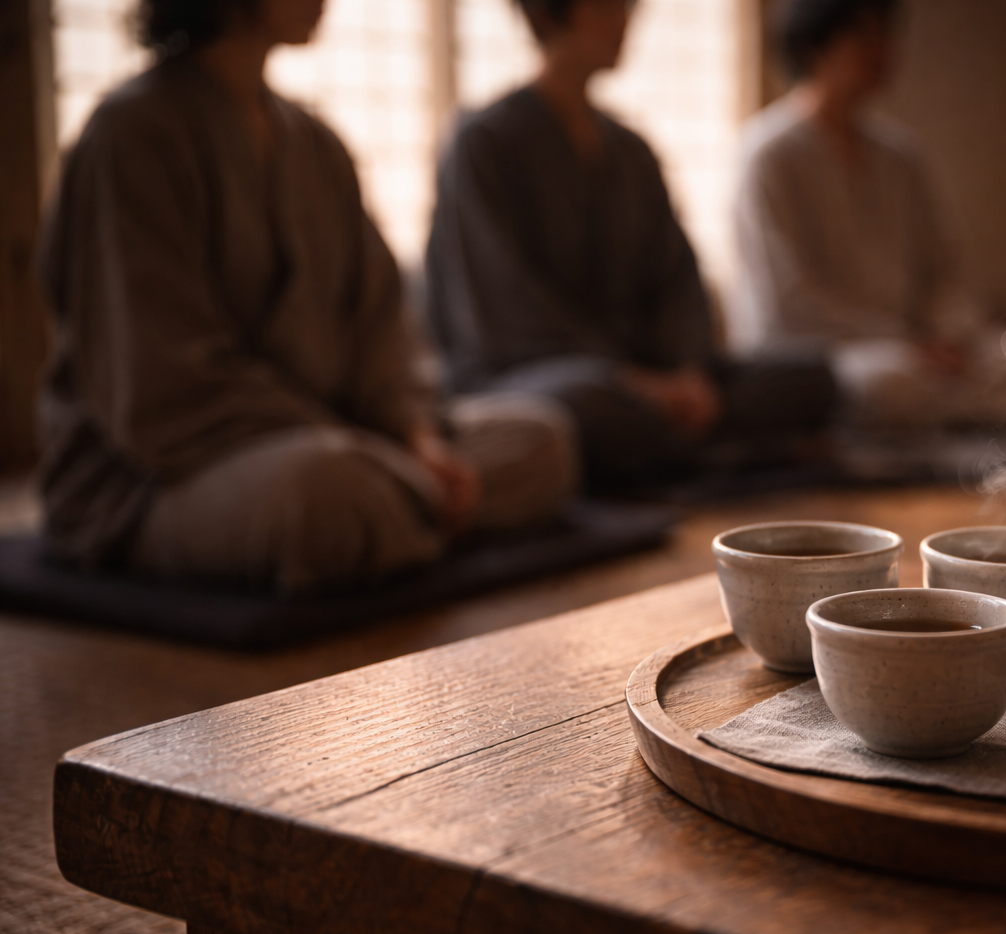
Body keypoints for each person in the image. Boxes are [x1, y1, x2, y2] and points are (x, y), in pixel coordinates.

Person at [37, 0, 577, 594]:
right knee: (323, 496)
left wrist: (414, 436)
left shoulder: (314, 141)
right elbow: (160, 385)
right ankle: (411, 509)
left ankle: (403, 510)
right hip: (161, 475)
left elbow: (380, 327)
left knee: (542, 439)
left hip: (354, 439)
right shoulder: (131, 134)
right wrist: (361, 446)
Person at [425, 0, 836, 489]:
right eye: (606, 8)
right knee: (585, 406)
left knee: (813, 376)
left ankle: (683, 447)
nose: (625, 22)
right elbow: (505, 306)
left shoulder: (630, 150)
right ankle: (716, 449)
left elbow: (678, 280)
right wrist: (638, 383)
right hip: (538, 375)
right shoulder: (482, 142)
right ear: (549, 14)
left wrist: (686, 371)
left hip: (651, 375)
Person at [732, 0, 1006, 430]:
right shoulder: (768, 155)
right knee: (892, 383)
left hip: (918, 348)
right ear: (815, 47)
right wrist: (907, 342)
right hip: (826, 351)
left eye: (884, 36)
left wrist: (949, 335)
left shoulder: (902, 157)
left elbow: (944, 275)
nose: (882, 51)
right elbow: (788, 302)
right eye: (863, 37)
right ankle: (958, 418)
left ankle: (955, 418)